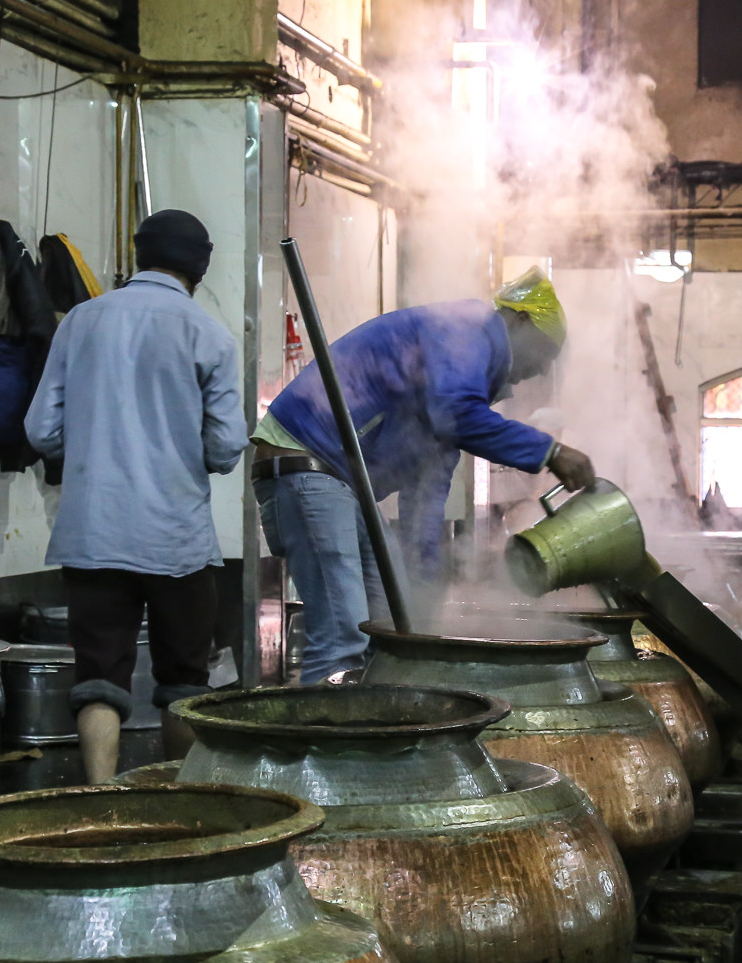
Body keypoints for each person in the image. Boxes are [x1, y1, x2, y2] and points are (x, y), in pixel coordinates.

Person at [254, 267, 596, 683]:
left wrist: (425, 596)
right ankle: (326, 744)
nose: (540, 370)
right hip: (306, 461)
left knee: (391, 622)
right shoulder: (466, 331)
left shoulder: (460, 380)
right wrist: (550, 451)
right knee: (342, 642)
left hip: (340, 482)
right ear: (518, 320)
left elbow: (428, 491)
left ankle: (376, 731)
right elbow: (459, 415)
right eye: (543, 352)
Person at [24, 209, 248, 782]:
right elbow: (225, 449)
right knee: (182, 681)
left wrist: (96, 451)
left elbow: (40, 431)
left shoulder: (81, 320)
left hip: (93, 533)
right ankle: (172, 803)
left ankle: (100, 797)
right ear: (200, 265)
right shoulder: (210, 336)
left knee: (99, 675)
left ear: (139, 253)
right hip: (176, 541)